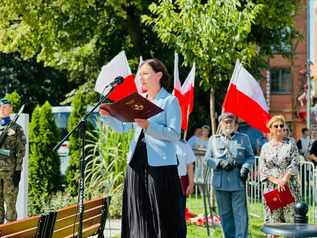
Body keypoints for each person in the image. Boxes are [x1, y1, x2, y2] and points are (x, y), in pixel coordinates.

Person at [99, 58, 181, 238]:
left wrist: (149, 126)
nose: (141, 78)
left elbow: (175, 134)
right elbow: (124, 127)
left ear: (158, 75)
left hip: (160, 165)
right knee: (138, 210)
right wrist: (107, 117)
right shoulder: (139, 100)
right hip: (136, 163)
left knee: (160, 212)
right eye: (140, 74)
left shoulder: (169, 100)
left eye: (145, 74)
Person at [205, 112, 254, 238]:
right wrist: (219, 162)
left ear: (235, 124)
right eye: (225, 122)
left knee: (240, 215)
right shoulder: (213, 140)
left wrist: (245, 167)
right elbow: (207, 159)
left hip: (237, 181)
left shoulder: (243, 138)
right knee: (225, 214)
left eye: (231, 122)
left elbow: (250, 157)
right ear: (221, 123)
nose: (228, 124)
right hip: (220, 183)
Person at [260, 115, 300, 226]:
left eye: (281, 126)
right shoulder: (265, 147)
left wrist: (284, 180)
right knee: (273, 223)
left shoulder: (290, 144)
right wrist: (277, 181)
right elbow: (263, 169)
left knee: (291, 223)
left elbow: (295, 162)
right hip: (271, 189)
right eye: (276, 126)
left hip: (289, 188)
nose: (279, 128)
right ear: (271, 129)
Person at [0, 98, 26, 223]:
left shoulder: (17, 128)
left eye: (5, 107)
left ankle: (11, 233)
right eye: (1, 107)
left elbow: (21, 151)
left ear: (10, 109)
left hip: (9, 173)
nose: (2, 109)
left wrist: (18, 171)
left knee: (10, 205)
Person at [175, 139, 196, 238]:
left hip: (180, 182)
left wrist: (191, 184)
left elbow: (190, 166)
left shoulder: (184, 144)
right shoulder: (162, 141)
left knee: (179, 214)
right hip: (164, 181)